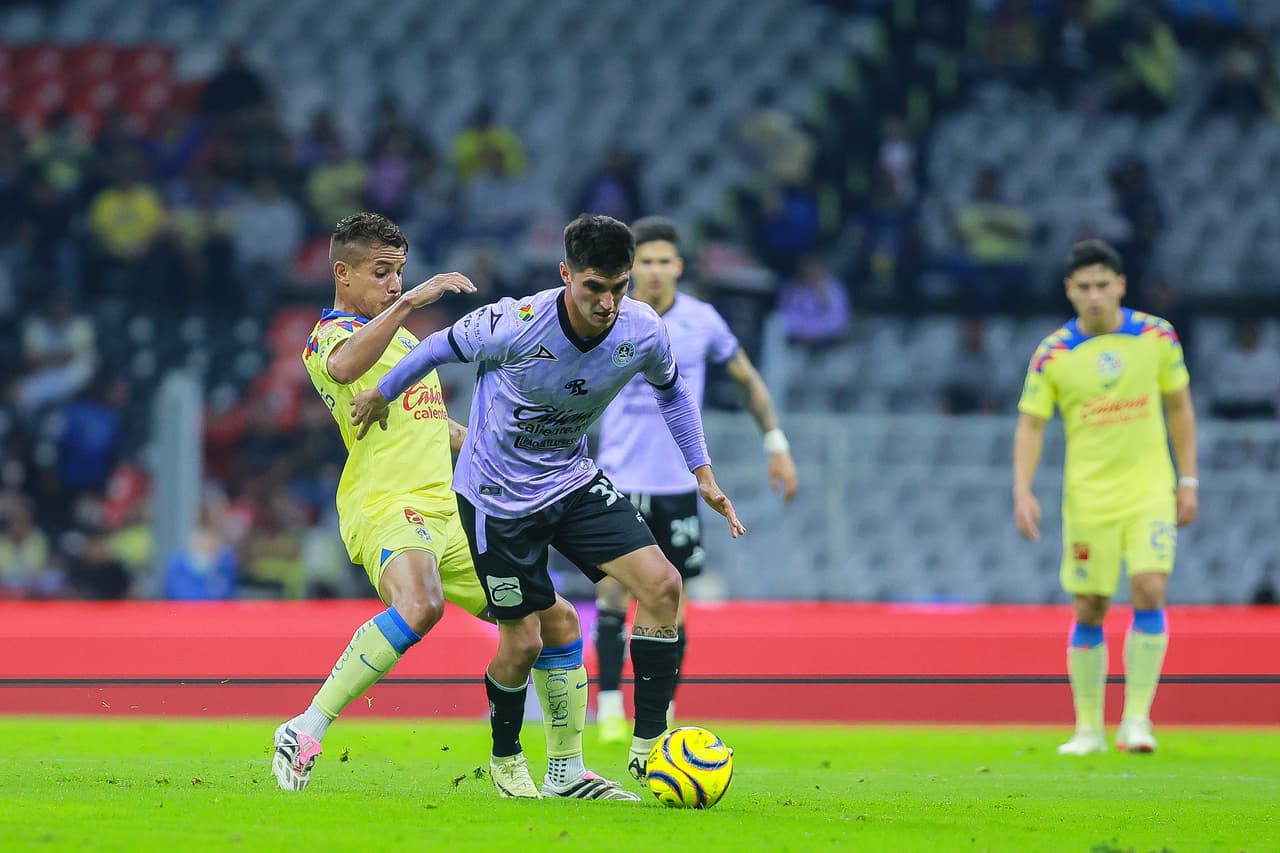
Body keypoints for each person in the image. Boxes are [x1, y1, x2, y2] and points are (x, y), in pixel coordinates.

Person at [351, 213, 746, 790]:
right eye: (594, 287)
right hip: (496, 500)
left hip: (569, 479)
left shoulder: (643, 330)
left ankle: (647, 747)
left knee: (663, 586)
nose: (607, 302)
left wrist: (703, 475)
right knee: (526, 639)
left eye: (619, 287)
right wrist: (382, 393)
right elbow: (436, 347)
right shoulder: (516, 322)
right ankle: (508, 758)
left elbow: (674, 395)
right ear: (567, 274)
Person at [275, 213, 632, 801]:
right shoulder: (330, 337)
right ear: (342, 273)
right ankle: (304, 729)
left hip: (451, 508)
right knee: (421, 605)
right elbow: (344, 369)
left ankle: (567, 773)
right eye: (381, 273)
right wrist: (414, 300)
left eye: (400, 274)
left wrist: (501, 446)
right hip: (387, 501)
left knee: (556, 622)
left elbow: (432, 423)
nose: (394, 283)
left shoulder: (405, 342)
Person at [592, 217, 797, 743]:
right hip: (619, 478)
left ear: (679, 266)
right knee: (615, 591)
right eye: (647, 262)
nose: (656, 271)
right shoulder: (610, 317)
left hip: (679, 484)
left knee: (674, 599)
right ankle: (611, 705)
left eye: (665, 261)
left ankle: (664, 702)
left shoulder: (703, 322)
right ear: (632, 269)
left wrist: (776, 445)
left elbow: (747, 379)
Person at [1013, 238, 1198, 756]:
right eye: (1083, 287)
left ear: (1120, 284)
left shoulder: (1156, 336)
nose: (1094, 295)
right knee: (1090, 604)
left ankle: (1136, 720)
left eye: (1102, 285)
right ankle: (1088, 728)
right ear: (1069, 291)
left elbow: (1180, 407)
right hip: (1088, 497)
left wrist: (1189, 480)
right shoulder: (1054, 352)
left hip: (1148, 489)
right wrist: (1023, 489)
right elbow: (1030, 424)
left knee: (1149, 588)